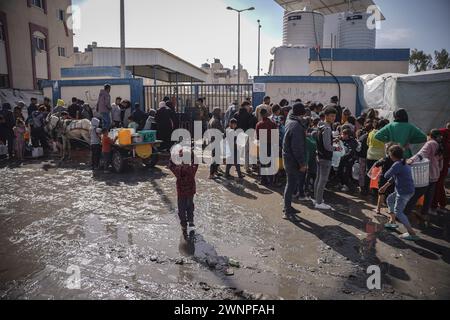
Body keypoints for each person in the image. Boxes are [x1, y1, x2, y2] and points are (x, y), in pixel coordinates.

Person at [379, 145, 419, 241]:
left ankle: (412, 233)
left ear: (392, 155)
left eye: (389, 153)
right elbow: (393, 177)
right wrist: (384, 187)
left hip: (404, 192)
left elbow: (386, 175)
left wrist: (383, 163)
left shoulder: (397, 164)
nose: (388, 155)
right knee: (390, 199)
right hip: (403, 190)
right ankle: (392, 222)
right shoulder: (402, 162)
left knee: (398, 212)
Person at [404, 129, 444, 222]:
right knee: (429, 195)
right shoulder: (439, 144)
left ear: (430, 135)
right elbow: (441, 162)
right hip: (435, 174)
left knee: (416, 194)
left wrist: (410, 161)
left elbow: (421, 154)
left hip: (427, 174)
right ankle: (424, 214)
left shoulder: (430, 143)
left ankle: (405, 214)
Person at [282, 103, 308, 218]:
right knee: (291, 184)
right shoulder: (296, 126)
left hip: (288, 157)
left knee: (290, 184)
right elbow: (297, 147)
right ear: (301, 114)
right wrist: (302, 163)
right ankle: (287, 211)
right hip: (292, 159)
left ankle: (288, 207)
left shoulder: (290, 121)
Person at [168, 148, 199, 234]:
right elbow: (196, 162)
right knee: (190, 206)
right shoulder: (192, 169)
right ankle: (191, 221)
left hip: (181, 193)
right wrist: (192, 153)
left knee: (181, 209)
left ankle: (184, 224)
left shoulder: (178, 170)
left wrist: (173, 156)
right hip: (190, 192)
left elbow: (170, 165)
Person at [314, 105, 337, 210]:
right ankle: (319, 202)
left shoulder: (320, 126)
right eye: (331, 116)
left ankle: (317, 198)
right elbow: (327, 147)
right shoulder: (327, 128)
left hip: (319, 155)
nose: (333, 118)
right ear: (326, 116)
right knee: (322, 180)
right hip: (325, 157)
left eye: (334, 116)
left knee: (318, 179)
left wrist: (333, 140)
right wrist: (337, 149)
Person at [256, 108, 278, 185]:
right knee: (270, 163)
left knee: (263, 163)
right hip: (271, 145)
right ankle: (271, 181)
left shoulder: (259, 124)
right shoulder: (273, 124)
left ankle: (263, 180)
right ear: (267, 114)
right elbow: (276, 136)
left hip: (262, 145)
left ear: (261, 115)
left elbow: (258, 137)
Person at [373, 143, 396, 215]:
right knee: (390, 195)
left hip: (383, 178)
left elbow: (376, 165)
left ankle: (378, 209)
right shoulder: (397, 160)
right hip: (392, 179)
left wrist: (379, 160)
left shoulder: (385, 159)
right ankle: (391, 211)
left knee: (381, 194)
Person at [432, 123, 450, 212]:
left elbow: (433, 133)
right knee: (439, 185)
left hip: (439, 166)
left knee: (437, 185)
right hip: (443, 166)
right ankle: (440, 204)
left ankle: (436, 205)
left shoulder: (443, 133)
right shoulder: (445, 135)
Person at [207, 107, 224, 179]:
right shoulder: (216, 121)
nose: (221, 113)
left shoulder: (212, 120)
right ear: (217, 113)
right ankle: (211, 174)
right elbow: (220, 130)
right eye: (220, 112)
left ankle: (215, 171)